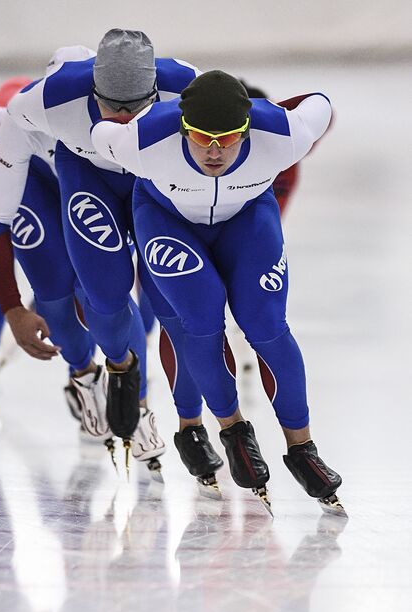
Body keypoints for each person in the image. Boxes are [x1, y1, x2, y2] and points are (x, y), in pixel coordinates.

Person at [92, 70, 344, 514]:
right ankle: (232, 431)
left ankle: (302, 449)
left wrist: (274, 108)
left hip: (246, 220)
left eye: (227, 138)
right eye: (200, 137)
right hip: (166, 220)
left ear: (246, 128)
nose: (213, 150)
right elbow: (100, 130)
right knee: (201, 322)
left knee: (267, 325)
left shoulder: (283, 134)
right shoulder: (143, 140)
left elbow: (320, 101)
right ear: (182, 126)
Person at [7, 29, 213, 470]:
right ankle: (89, 377)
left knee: (151, 299)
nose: (119, 116)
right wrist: (9, 303)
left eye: (133, 105)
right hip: (61, 182)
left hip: (129, 182)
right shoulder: (43, 104)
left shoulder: (180, 87)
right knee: (73, 292)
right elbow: (0, 174)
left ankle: (149, 405)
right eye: (108, 105)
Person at [0, 45, 165, 474]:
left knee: (103, 288)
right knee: (53, 288)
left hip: (87, 181)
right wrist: (11, 308)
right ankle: (84, 376)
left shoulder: (122, 110)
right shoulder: (25, 113)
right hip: (38, 185)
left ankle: (132, 396)